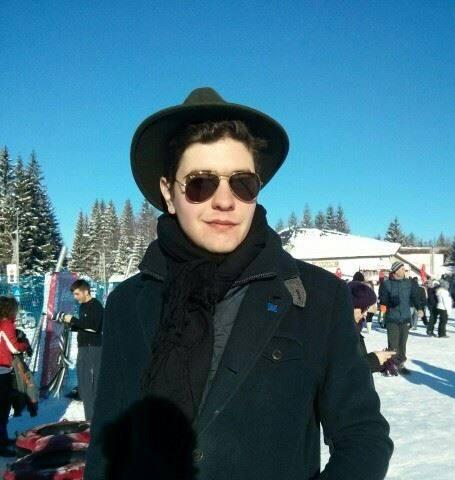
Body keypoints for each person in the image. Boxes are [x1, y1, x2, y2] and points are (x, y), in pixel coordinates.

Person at [85, 87, 393, 480]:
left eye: (242, 183)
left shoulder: (316, 296)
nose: (225, 201)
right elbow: (107, 448)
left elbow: (364, 438)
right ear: (169, 193)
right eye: (200, 183)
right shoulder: (128, 303)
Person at [62, 279, 103, 421]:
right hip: (84, 347)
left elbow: (93, 327)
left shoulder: (95, 305)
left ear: (86, 291)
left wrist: (72, 319)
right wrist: (70, 325)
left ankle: (93, 419)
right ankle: (89, 419)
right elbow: (84, 326)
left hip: (93, 348)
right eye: (74, 294)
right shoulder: (83, 306)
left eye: (77, 294)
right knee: (84, 386)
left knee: (92, 386)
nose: (76, 297)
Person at [378, 261, 423, 375]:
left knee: (402, 344)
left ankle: (401, 365)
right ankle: (390, 366)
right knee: (393, 345)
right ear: (396, 271)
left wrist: (419, 308)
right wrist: (389, 303)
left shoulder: (409, 283)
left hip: (405, 318)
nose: (404, 271)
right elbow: (382, 301)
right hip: (392, 319)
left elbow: (415, 297)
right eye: (402, 269)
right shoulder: (386, 284)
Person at [0, 296, 29, 457]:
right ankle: (1, 444)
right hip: (2, 370)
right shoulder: (6, 324)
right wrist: (24, 344)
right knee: (3, 407)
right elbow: (14, 348)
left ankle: (3, 439)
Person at [347, 281, 396, 373]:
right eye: (363, 309)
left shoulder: (354, 328)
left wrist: (380, 361)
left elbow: (358, 361)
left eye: (367, 308)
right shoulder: (340, 334)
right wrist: (374, 360)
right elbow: (345, 371)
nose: (365, 314)